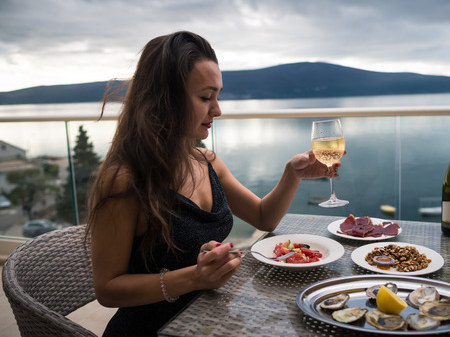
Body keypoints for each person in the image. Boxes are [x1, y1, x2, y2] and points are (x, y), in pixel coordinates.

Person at [86, 31, 341, 337]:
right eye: (206, 97)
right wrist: (195, 277)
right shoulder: (125, 181)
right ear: (164, 100)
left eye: (217, 96)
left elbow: (264, 217)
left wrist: (292, 174)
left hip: (210, 320)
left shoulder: (206, 162)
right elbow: (108, 290)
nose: (217, 110)